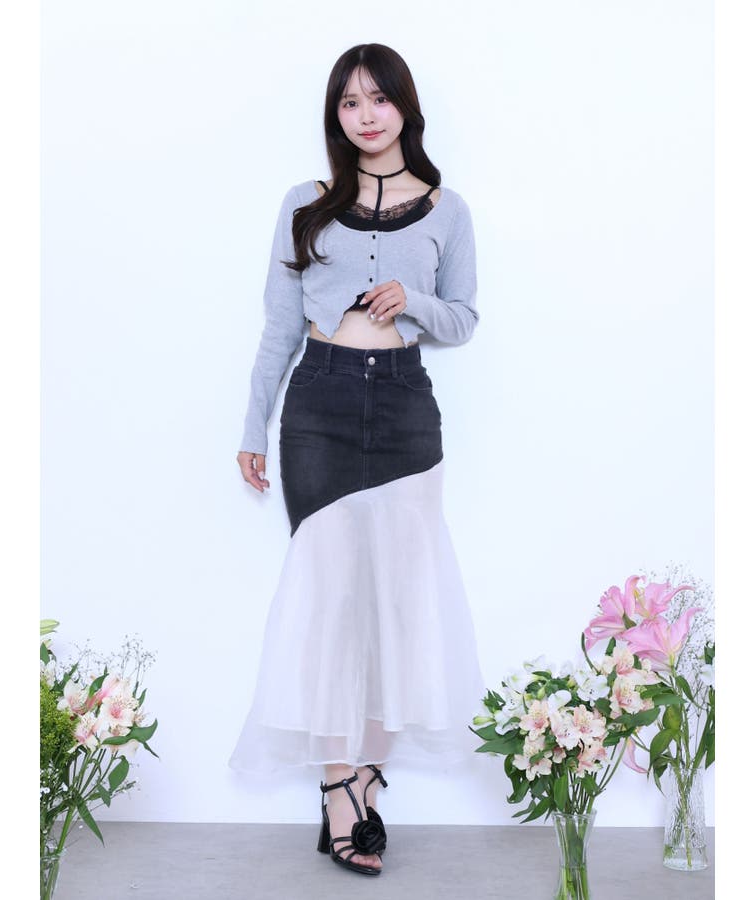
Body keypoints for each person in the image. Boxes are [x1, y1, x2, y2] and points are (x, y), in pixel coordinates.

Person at [228, 43, 486, 877]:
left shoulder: (448, 210)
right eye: (349, 102)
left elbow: (464, 318)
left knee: (399, 608)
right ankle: (340, 787)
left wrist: (416, 302)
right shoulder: (305, 205)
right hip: (321, 406)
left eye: (379, 98)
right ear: (335, 116)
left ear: (406, 107)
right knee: (332, 603)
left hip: (406, 410)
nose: (366, 115)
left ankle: (368, 773)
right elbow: (278, 324)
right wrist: (253, 427)